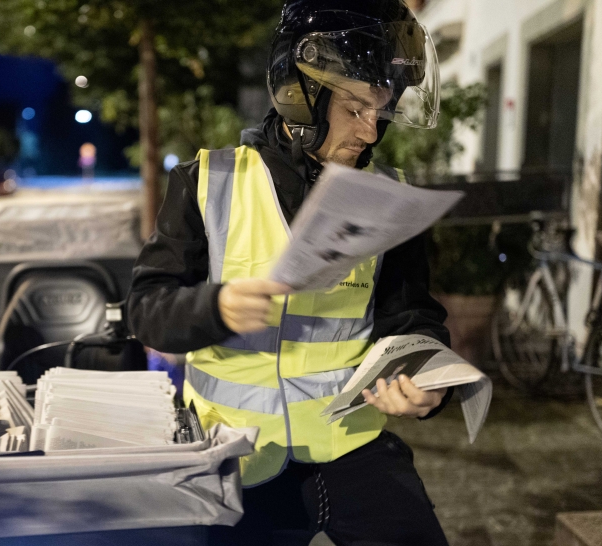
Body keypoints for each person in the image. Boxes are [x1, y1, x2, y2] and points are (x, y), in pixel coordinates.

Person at [127, 1, 454, 545]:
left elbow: (411, 313)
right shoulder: (205, 182)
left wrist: (425, 379)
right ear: (299, 95)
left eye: (382, 109)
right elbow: (146, 310)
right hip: (238, 453)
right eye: (354, 108)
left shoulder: (388, 196)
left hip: (352, 445)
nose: (371, 133)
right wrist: (215, 308)